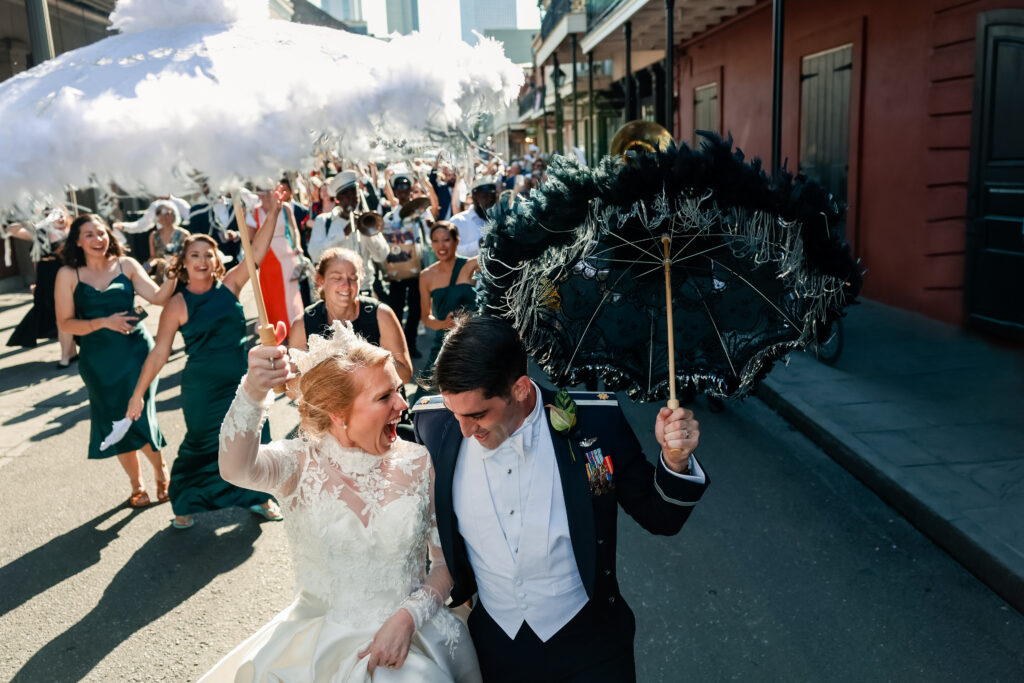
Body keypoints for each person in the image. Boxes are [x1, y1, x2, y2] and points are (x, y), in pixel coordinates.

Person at [411, 314, 708, 682]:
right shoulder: (432, 425)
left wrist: (675, 461)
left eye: (477, 415)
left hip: (592, 648)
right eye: (454, 412)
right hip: (494, 648)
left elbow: (660, 517)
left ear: (520, 388)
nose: (465, 430)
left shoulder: (597, 423)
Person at [204, 321, 481, 682]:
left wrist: (407, 618)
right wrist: (254, 392)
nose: (402, 403)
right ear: (338, 414)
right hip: (317, 647)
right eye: (384, 397)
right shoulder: (297, 465)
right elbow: (235, 468)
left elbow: (444, 565)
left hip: (414, 635)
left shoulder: (418, 462)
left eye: (398, 390)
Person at [126, 203, 282, 529]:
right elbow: (158, 354)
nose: (202, 260)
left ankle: (258, 497)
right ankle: (185, 500)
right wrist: (139, 394)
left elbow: (255, 253)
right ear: (184, 262)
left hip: (245, 380)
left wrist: (274, 211)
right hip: (202, 389)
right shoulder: (177, 304)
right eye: (194, 255)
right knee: (202, 446)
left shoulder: (230, 286)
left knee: (252, 438)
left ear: (216, 261)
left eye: (208, 255)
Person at [54, 214, 178, 507]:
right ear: (77, 241)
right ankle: (137, 485)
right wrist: (103, 322)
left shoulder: (127, 265)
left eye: (101, 233)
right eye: (89, 235)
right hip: (98, 362)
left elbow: (158, 298)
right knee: (115, 419)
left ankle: (162, 472)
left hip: (137, 355)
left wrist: (173, 274)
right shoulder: (68, 275)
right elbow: (66, 323)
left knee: (139, 415)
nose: (98, 240)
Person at [289, 247, 412, 384]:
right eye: (337, 278)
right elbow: (290, 388)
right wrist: (328, 369)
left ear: (361, 280)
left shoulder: (381, 314)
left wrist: (364, 355)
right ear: (320, 280)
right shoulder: (303, 323)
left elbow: (405, 374)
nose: (346, 285)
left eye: (353, 278)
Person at [5, 206, 78, 366]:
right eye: (55, 215)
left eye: (62, 215)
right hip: (45, 281)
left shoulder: (73, 234)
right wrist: (33, 219)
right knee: (55, 317)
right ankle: (71, 353)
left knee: (63, 318)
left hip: (65, 280)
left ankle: (65, 357)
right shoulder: (40, 234)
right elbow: (11, 230)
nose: (60, 218)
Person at [306, 170, 389, 294]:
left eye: (354, 193)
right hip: (337, 291)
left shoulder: (365, 220)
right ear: (338, 198)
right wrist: (342, 233)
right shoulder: (323, 221)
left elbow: (382, 255)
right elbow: (315, 254)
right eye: (346, 195)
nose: (352, 199)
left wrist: (368, 232)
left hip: (364, 290)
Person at [381, 173, 431, 358]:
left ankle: (410, 344)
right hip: (397, 271)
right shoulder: (388, 218)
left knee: (416, 308)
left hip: (417, 269)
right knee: (396, 309)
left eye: (406, 188)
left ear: (411, 190)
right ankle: (397, 347)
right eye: (399, 188)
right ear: (395, 192)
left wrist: (427, 223)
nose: (403, 192)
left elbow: (429, 233)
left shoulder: (420, 214)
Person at [246, 186, 305, 334]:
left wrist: (297, 245)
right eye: (260, 190)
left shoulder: (285, 208)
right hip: (266, 255)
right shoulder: (254, 211)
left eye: (267, 189)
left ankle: (294, 327)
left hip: (287, 254)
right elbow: (249, 238)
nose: (264, 193)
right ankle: (277, 328)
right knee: (271, 293)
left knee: (291, 294)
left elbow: (294, 229)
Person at [418, 222, 478, 369]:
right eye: (435, 241)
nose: (441, 246)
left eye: (446, 240)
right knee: (431, 389)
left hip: (474, 339)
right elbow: (426, 317)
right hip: (444, 342)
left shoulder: (471, 265)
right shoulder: (426, 276)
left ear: (456, 240)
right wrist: (444, 324)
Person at [447, 177, 497, 259]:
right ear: (474, 198)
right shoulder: (457, 221)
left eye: (492, 197)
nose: (489, 200)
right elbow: (451, 251)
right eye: (485, 196)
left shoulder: (498, 221)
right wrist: (479, 244)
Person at [147, 200, 190, 271]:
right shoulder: (153, 235)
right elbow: (152, 257)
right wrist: (147, 267)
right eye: (159, 212)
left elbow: (188, 255)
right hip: (161, 273)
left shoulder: (184, 234)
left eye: (166, 212)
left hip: (179, 272)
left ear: (173, 215)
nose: (162, 216)